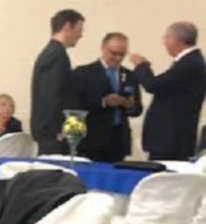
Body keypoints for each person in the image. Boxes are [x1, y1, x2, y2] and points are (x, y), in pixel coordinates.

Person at [128, 22, 206, 161]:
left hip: (171, 140)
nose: (164, 42)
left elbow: (153, 85)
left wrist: (141, 66)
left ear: (178, 40)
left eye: (167, 38)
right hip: (170, 139)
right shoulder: (190, 62)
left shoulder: (189, 64)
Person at [73, 32, 142, 162]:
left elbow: (137, 109)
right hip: (91, 141)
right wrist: (103, 102)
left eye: (122, 54)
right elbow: (75, 104)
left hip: (118, 141)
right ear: (103, 49)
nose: (117, 58)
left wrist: (129, 105)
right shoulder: (84, 73)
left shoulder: (129, 75)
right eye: (114, 53)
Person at [30, 9, 85, 155]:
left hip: (53, 133)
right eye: (79, 30)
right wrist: (58, 131)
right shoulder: (56, 56)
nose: (81, 35)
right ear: (67, 27)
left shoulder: (55, 53)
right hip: (53, 135)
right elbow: (51, 96)